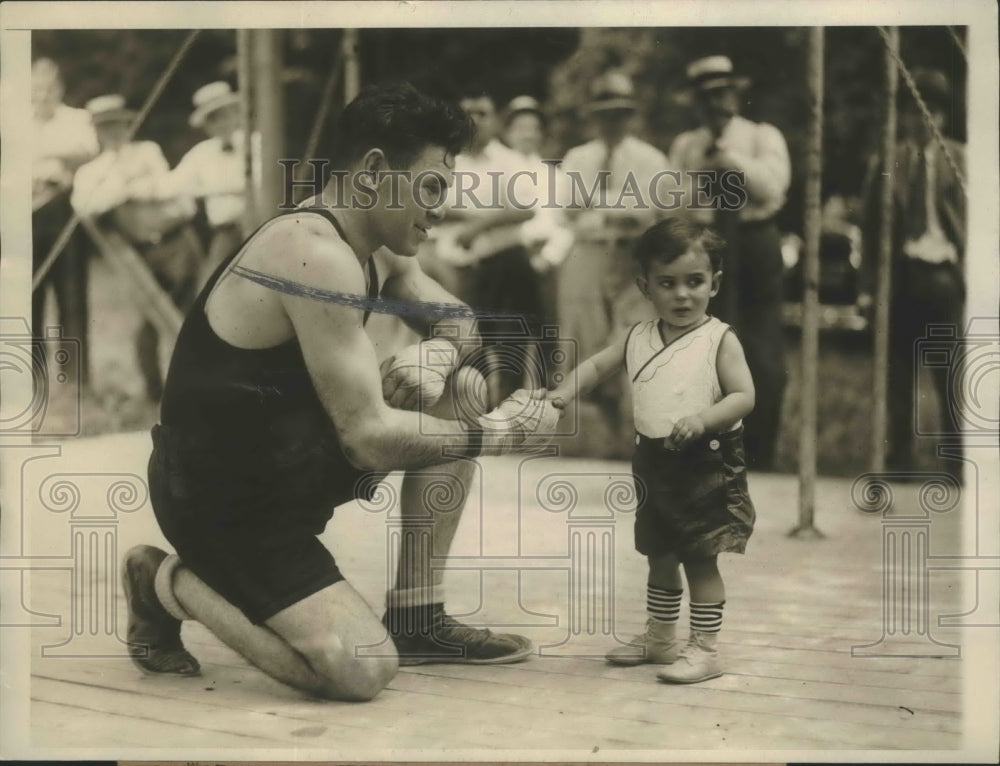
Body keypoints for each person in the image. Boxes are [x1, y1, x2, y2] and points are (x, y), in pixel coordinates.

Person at [122, 82, 562, 702]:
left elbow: (459, 319)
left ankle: (417, 615)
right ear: (376, 171)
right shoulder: (311, 251)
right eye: (432, 186)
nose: (441, 208)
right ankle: (163, 580)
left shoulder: (379, 243)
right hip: (218, 499)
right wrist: (505, 432)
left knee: (459, 385)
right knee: (360, 671)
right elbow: (367, 437)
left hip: (287, 468)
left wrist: (436, 353)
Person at [548, 217, 756, 683]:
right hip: (653, 461)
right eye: (668, 284)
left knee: (700, 557)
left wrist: (703, 419)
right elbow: (599, 365)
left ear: (714, 283)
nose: (682, 295)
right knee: (659, 554)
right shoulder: (638, 336)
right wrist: (564, 393)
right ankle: (661, 639)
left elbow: (745, 396)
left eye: (694, 282)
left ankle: (705, 648)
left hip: (706, 459)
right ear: (645, 287)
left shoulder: (719, 339)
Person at [669, 55, 791, 471]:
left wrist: (731, 161)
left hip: (755, 242)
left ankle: (761, 452)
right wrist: (701, 173)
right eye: (705, 98)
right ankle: (708, 450)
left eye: (721, 94)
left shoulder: (761, 137)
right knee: (703, 346)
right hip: (707, 246)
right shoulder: (687, 145)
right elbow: (671, 203)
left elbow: (773, 187)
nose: (715, 106)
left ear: (735, 96)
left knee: (760, 347)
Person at [859, 68, 965, 475]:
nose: (924, 121)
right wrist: (868, 288)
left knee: (950, 374)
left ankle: (955, 461)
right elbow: (869, 230)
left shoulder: (961, 160)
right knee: (898, 375)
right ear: (901, 116)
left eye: (932, 113)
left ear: (942, 117)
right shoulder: (888, 161)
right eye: (915, 112)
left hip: (944, 275)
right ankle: (899, 460)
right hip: (901, 277)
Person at [558, 71, 670, 449]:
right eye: (605, 114)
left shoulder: (650, 159)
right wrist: (618, 210)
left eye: (620, 113)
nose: (613, 122)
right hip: (589, 255)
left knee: (633, 339)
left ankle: (640, 434)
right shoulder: (578, 157)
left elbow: (650, 215)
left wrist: (604, 211)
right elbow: (569, 211)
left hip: (632, 255)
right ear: (594, 116)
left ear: (631, 116)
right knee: (589, 345)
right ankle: (610, 437)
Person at [70, 94, 204, 402]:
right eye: (105, 128)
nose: (113, 133)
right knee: (147, 321)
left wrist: (128, 190)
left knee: (194, 315)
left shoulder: (147, 151)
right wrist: (127, 188)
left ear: (129, 125)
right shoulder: (90, 171)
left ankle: (198, 389)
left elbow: (169, 188)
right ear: (96, 132)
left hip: (176, 240)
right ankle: (154, 394)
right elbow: (86, 207)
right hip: (137, 253)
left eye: (118, 125)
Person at [434, 89, 543, 405]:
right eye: (468, 113)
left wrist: (478, 225)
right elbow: (437, 207)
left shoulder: (508, 160)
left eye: (483, 113)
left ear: (495, 120)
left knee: (511, 346)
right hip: (460, 268)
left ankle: (508, 424)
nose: (476, 120)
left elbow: (526, 207)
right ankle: (472, 422)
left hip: (505, 262)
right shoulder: (447, 161)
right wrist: (482, 216)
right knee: (468, 346)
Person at [31, 58, 99, 387]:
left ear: (59, 88)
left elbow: (88, 149)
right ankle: (34, 378)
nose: (42, 95)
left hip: (63, 208)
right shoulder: (15, 120)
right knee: (29, 297)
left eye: (48, 88)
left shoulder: (76, 118)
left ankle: (76, 382)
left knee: (71, 297)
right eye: (36, 89)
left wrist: (44, 154)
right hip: (24, 212)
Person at [161, 81, 259, 285]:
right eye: (213, 120)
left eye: (225, 115)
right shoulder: (201, 153)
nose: (221, 123)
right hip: (227, 233)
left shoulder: (256, 142)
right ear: (206, 126)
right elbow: (171, 185)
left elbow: (258, 180)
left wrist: (212, 189)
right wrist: (204, 191)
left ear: (236, 114)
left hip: (260, 227)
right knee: (209, 289)